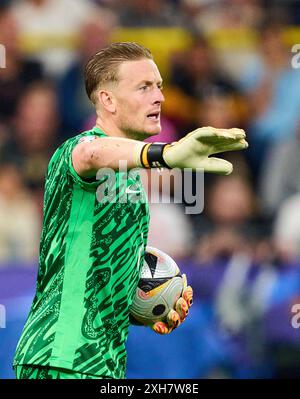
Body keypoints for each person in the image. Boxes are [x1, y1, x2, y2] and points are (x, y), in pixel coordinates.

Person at [13, 42, 248, 379]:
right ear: (107, 100)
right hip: (59, 358)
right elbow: (92, 154)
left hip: (102, 364)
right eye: (144, 87)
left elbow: (97, 274)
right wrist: (164, 154)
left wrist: (149, 304)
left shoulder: (132, 179)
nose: (160, 98)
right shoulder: (79, 149)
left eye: (160, 87)